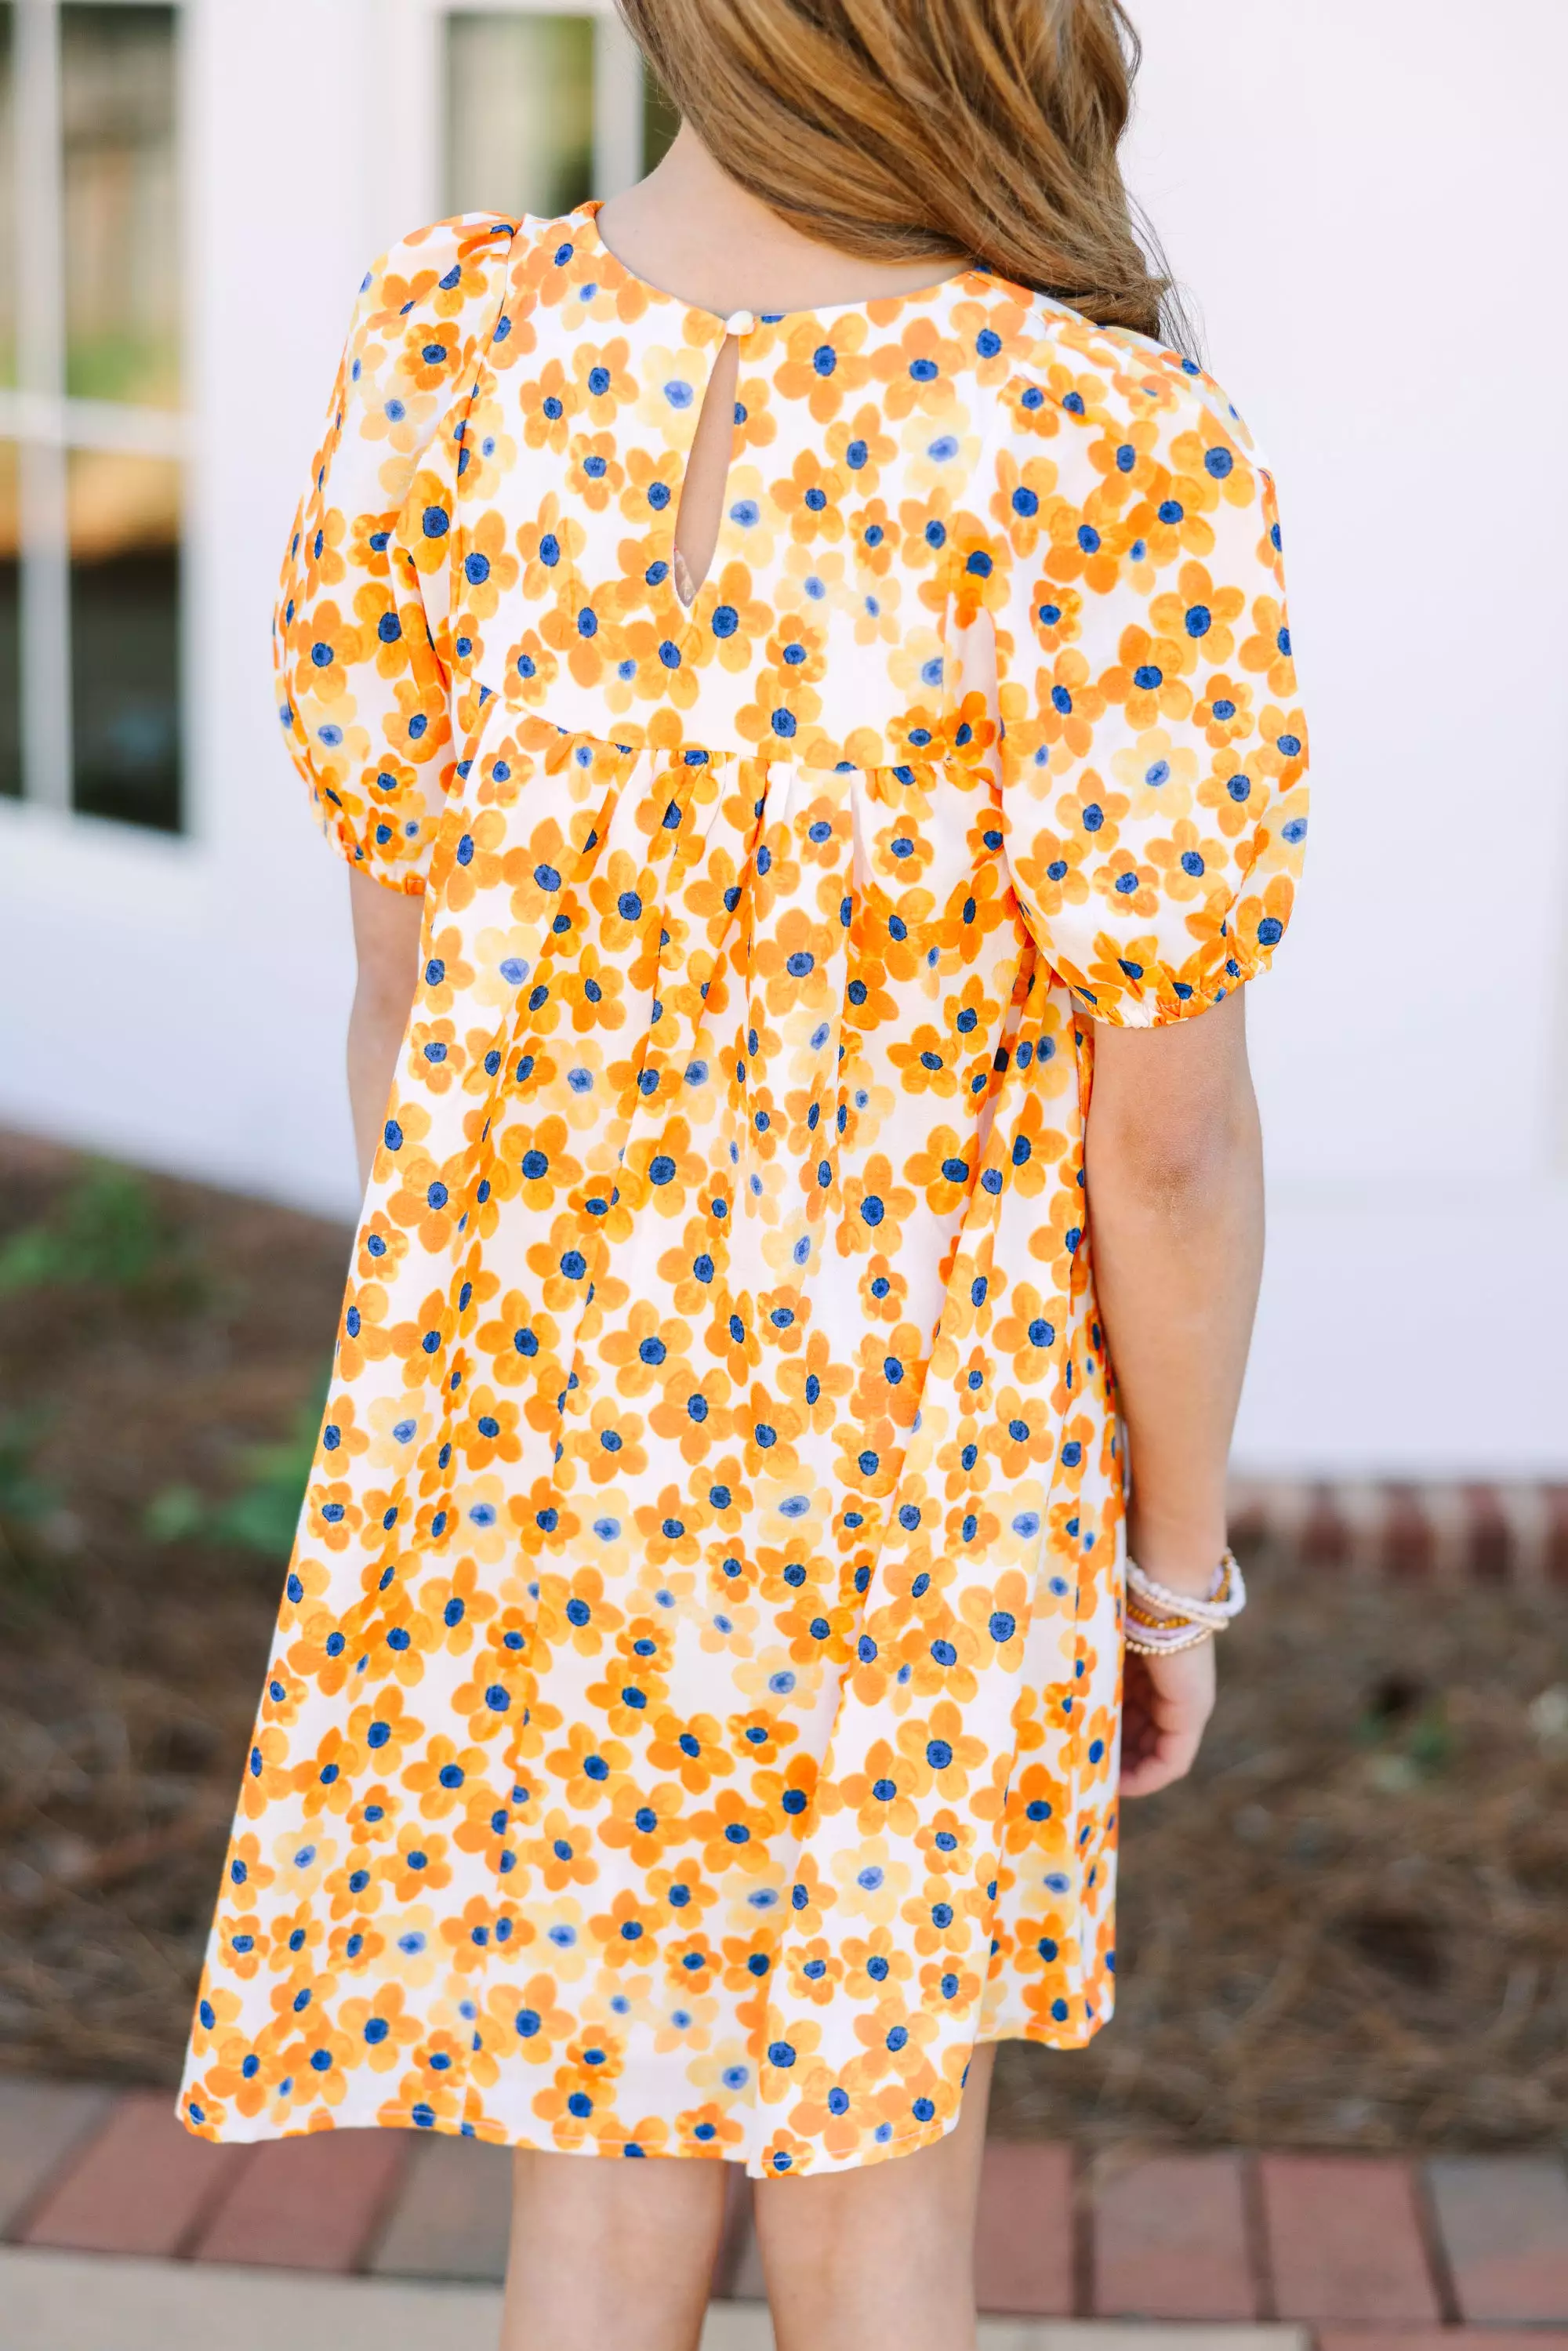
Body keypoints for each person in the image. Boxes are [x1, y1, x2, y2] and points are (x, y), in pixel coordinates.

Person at [179, 2, 1308, 2344]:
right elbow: (1168, 1137)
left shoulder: (455, 349)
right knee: (876, 2198)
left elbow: (405, 1012)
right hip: (911, 1465)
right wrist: (1170, 1566)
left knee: (597, 2187)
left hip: (543, 1434)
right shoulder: (1093, 439)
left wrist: (548, 1367)